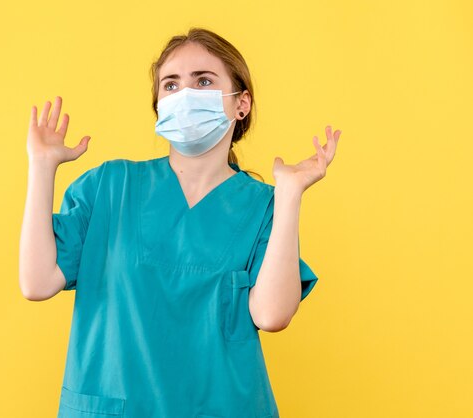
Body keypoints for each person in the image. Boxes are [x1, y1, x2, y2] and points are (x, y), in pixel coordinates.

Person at [19, 27, 341, 418]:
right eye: (170, 85)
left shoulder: (263, 206)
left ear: (241, 104)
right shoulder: (110, 186)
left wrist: (290, 195)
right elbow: (36, 283)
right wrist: (42, 166)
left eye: (203, 81)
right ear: (159, 104)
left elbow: (272, 315)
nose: (185, 95)